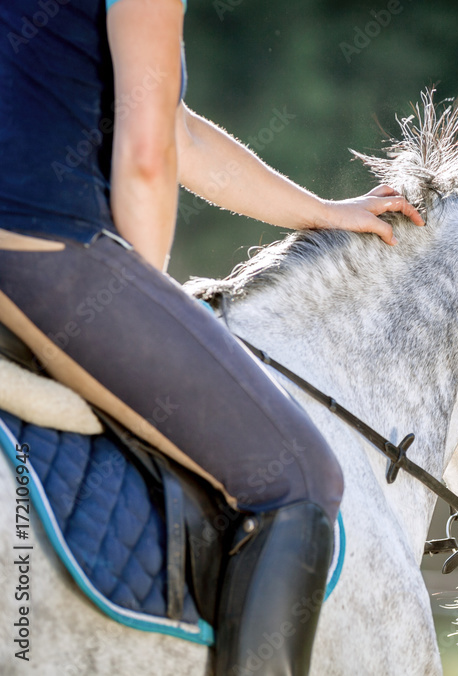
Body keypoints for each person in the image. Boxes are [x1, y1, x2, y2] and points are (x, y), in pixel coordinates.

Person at [0, 0, 424, 673]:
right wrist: (146, 299)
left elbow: (176, 131)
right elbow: (146, 156)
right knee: (300, 476)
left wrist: (321, 211)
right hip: (44, 252)